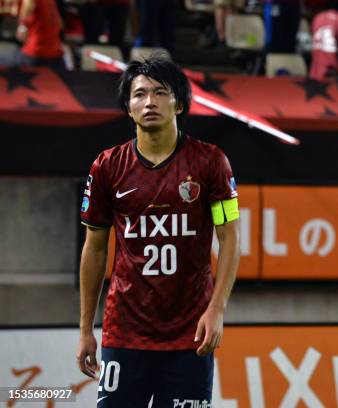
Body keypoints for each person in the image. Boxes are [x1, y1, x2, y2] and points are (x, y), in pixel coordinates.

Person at [76, 57, 240, 407]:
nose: (149, 102)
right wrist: (85, 329)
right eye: (139, 95)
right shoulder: (106, 167)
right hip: (124, 333)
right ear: (129, 108)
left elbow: (229, 238)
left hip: (190, 334)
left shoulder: (211, 162)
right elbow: (94, 250)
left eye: (160, 93)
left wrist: (217, 309)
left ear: (178, 103)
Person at [0, 0, 64, 68]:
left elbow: (29, 3)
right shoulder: (51, 2)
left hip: (34, 55)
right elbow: (60, 24)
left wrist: (22, 26)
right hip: (56, 56)